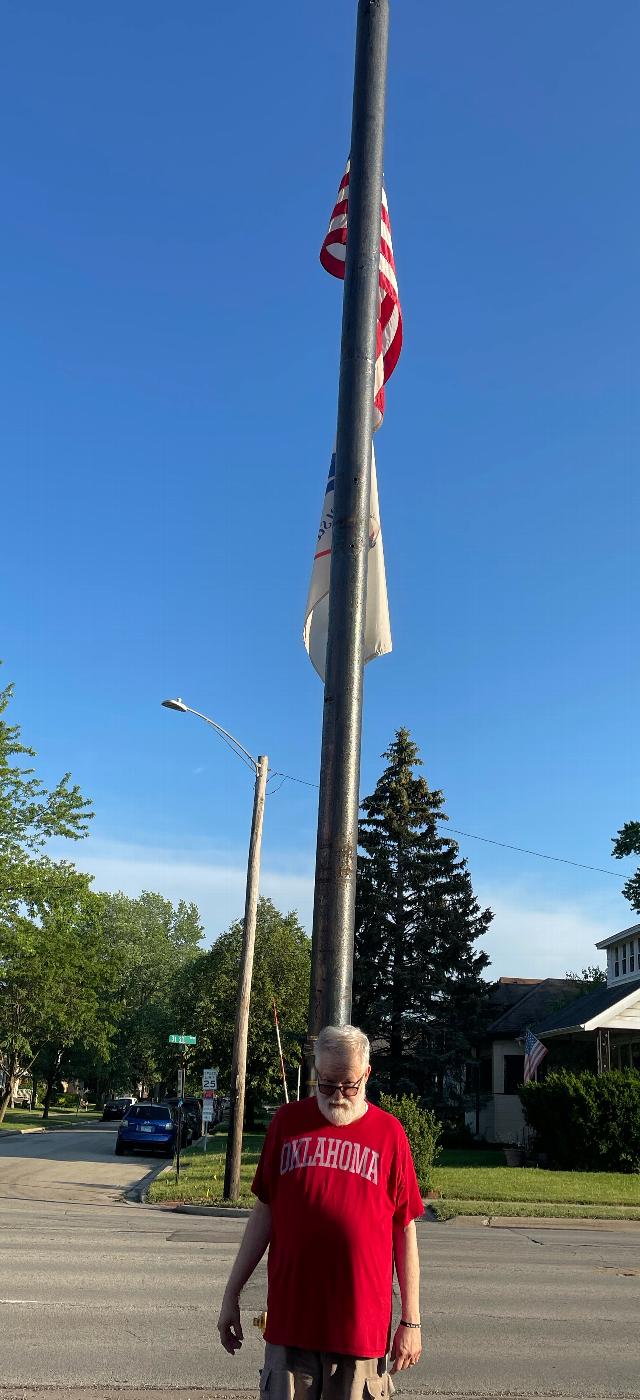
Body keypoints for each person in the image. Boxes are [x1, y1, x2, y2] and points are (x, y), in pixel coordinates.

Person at [217, 1024, 424, 1397]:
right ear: (316, 1073)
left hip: (360, 1330)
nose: (338, 1095)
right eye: (327, 1084)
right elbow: (263, 1214)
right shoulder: (287, 1124)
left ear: (366, 1074)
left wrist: (411, 1321)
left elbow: (404, 1229)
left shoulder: (389, 1134)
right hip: (291, 1325)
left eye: (349, 1085)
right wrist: (232, 1293)